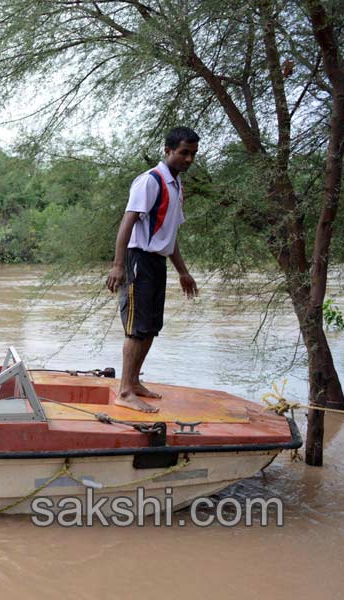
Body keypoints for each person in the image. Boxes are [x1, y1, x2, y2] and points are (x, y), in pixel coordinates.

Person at [106, 126, 200, 413]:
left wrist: (183, 272)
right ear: (168, 151)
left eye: (193, 154)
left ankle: (133, 382)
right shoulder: (150, 181)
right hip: (138, 260)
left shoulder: (176, 185)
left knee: (150, 327)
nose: (188, 159)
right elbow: (128, 221)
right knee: (136, 328)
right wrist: (119, 265)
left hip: (157, 262)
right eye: (183, 153)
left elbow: (169, 236)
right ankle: (124, 391)